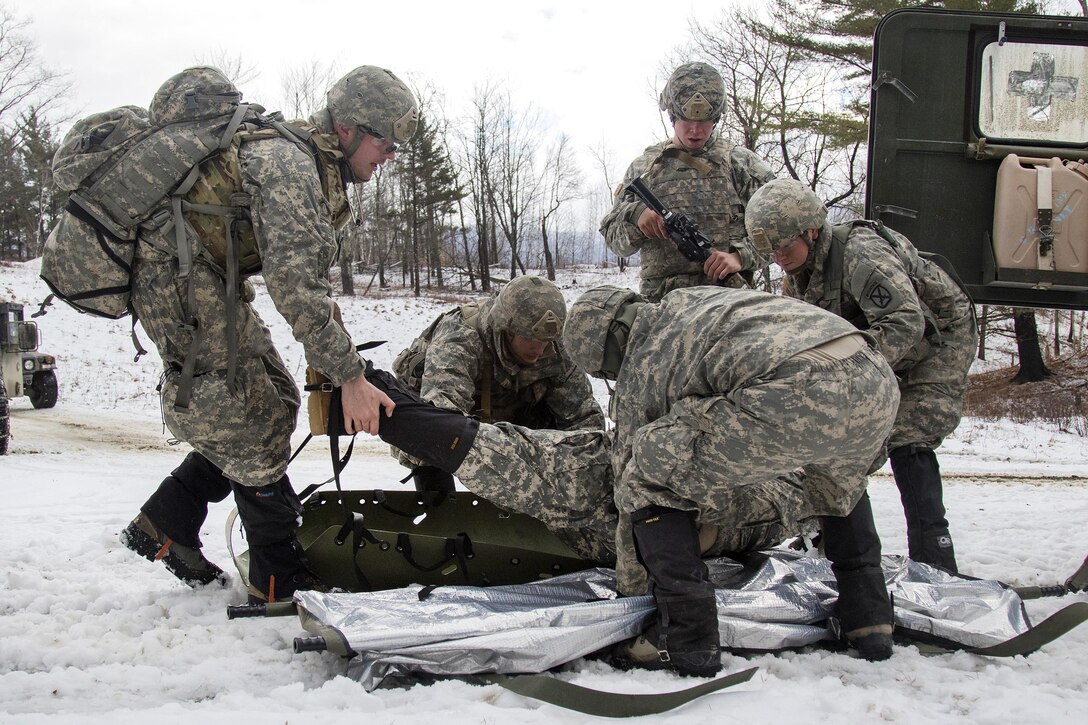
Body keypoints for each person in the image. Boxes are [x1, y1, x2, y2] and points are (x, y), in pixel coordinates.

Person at [365, 284, 902, 674]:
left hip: (784, 395)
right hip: (872, 378)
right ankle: (869, 616)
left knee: (644, 467)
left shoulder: (648, 352)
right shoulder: (688, 307)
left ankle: (685, 634)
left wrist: (633, 589)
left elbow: (632, 480)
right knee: (833, 484)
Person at [119, 66, 418, 603]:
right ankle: (277, 580)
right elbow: (295, 290)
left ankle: (165, 520)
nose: (391, 153)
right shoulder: (291, 166)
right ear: (347, 128)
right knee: (250, 419)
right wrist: (349, 374)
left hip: (206, 277)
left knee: (276, 401)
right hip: (172, 272)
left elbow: (303, 278)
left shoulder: (311, 164)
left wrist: (334, 347)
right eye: (385, 140)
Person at [745, 178, 977, 573]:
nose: (777, 256)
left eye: (784, 245)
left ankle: (936, 561)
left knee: (909, 435)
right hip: (877, 349)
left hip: (938, 340)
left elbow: (905, 321)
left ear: (811, 230)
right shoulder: (797, 276)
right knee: (830, 443)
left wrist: (841, 369)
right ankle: (821, 538)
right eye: (768, 249)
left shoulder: (860, 254)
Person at [391, 275, 605, 492]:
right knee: (431, 443)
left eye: (546, 342)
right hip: (447, 417)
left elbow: (583, 419)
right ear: (506, 329)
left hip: (513, 413)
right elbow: (440, 422)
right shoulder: (460, 339)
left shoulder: (554, 342)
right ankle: (438, 509)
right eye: (531, 340)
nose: (540, 351)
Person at [599, 62, 775, 301]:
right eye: (686, 120)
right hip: (663, 308)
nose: (696, 130)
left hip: (729, 304)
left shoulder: (741, 165)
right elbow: (615, 240)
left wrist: (740, 256)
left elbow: (784, 234)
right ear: (672, 115)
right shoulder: (645, 168)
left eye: (705, 121)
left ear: (717, 117)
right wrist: (635, 217)